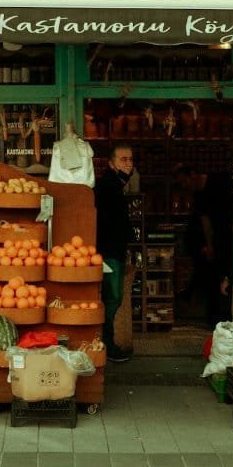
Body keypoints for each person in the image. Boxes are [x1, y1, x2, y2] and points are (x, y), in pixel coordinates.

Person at [177, 167, 233, 328]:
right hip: (213, 240)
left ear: (193, 174)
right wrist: (209, 245)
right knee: (212, 276)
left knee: (223, 273)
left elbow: (208, 221)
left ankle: (221, 315)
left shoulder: (220, 180)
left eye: (185, 182)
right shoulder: (198, 195)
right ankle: (214, 317)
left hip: (226, 236)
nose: (185, 186)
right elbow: (204, 222)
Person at [94, 142, 136, 362]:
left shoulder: (117, 185)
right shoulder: (107, 187)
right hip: (107, 253)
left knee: (112, 298)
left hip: (112, 252)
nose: (128, 164)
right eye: (123, 159)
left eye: (130, 159)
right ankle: (105, 344)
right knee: (113, 298)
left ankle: (104, 343)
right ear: (111, 163)